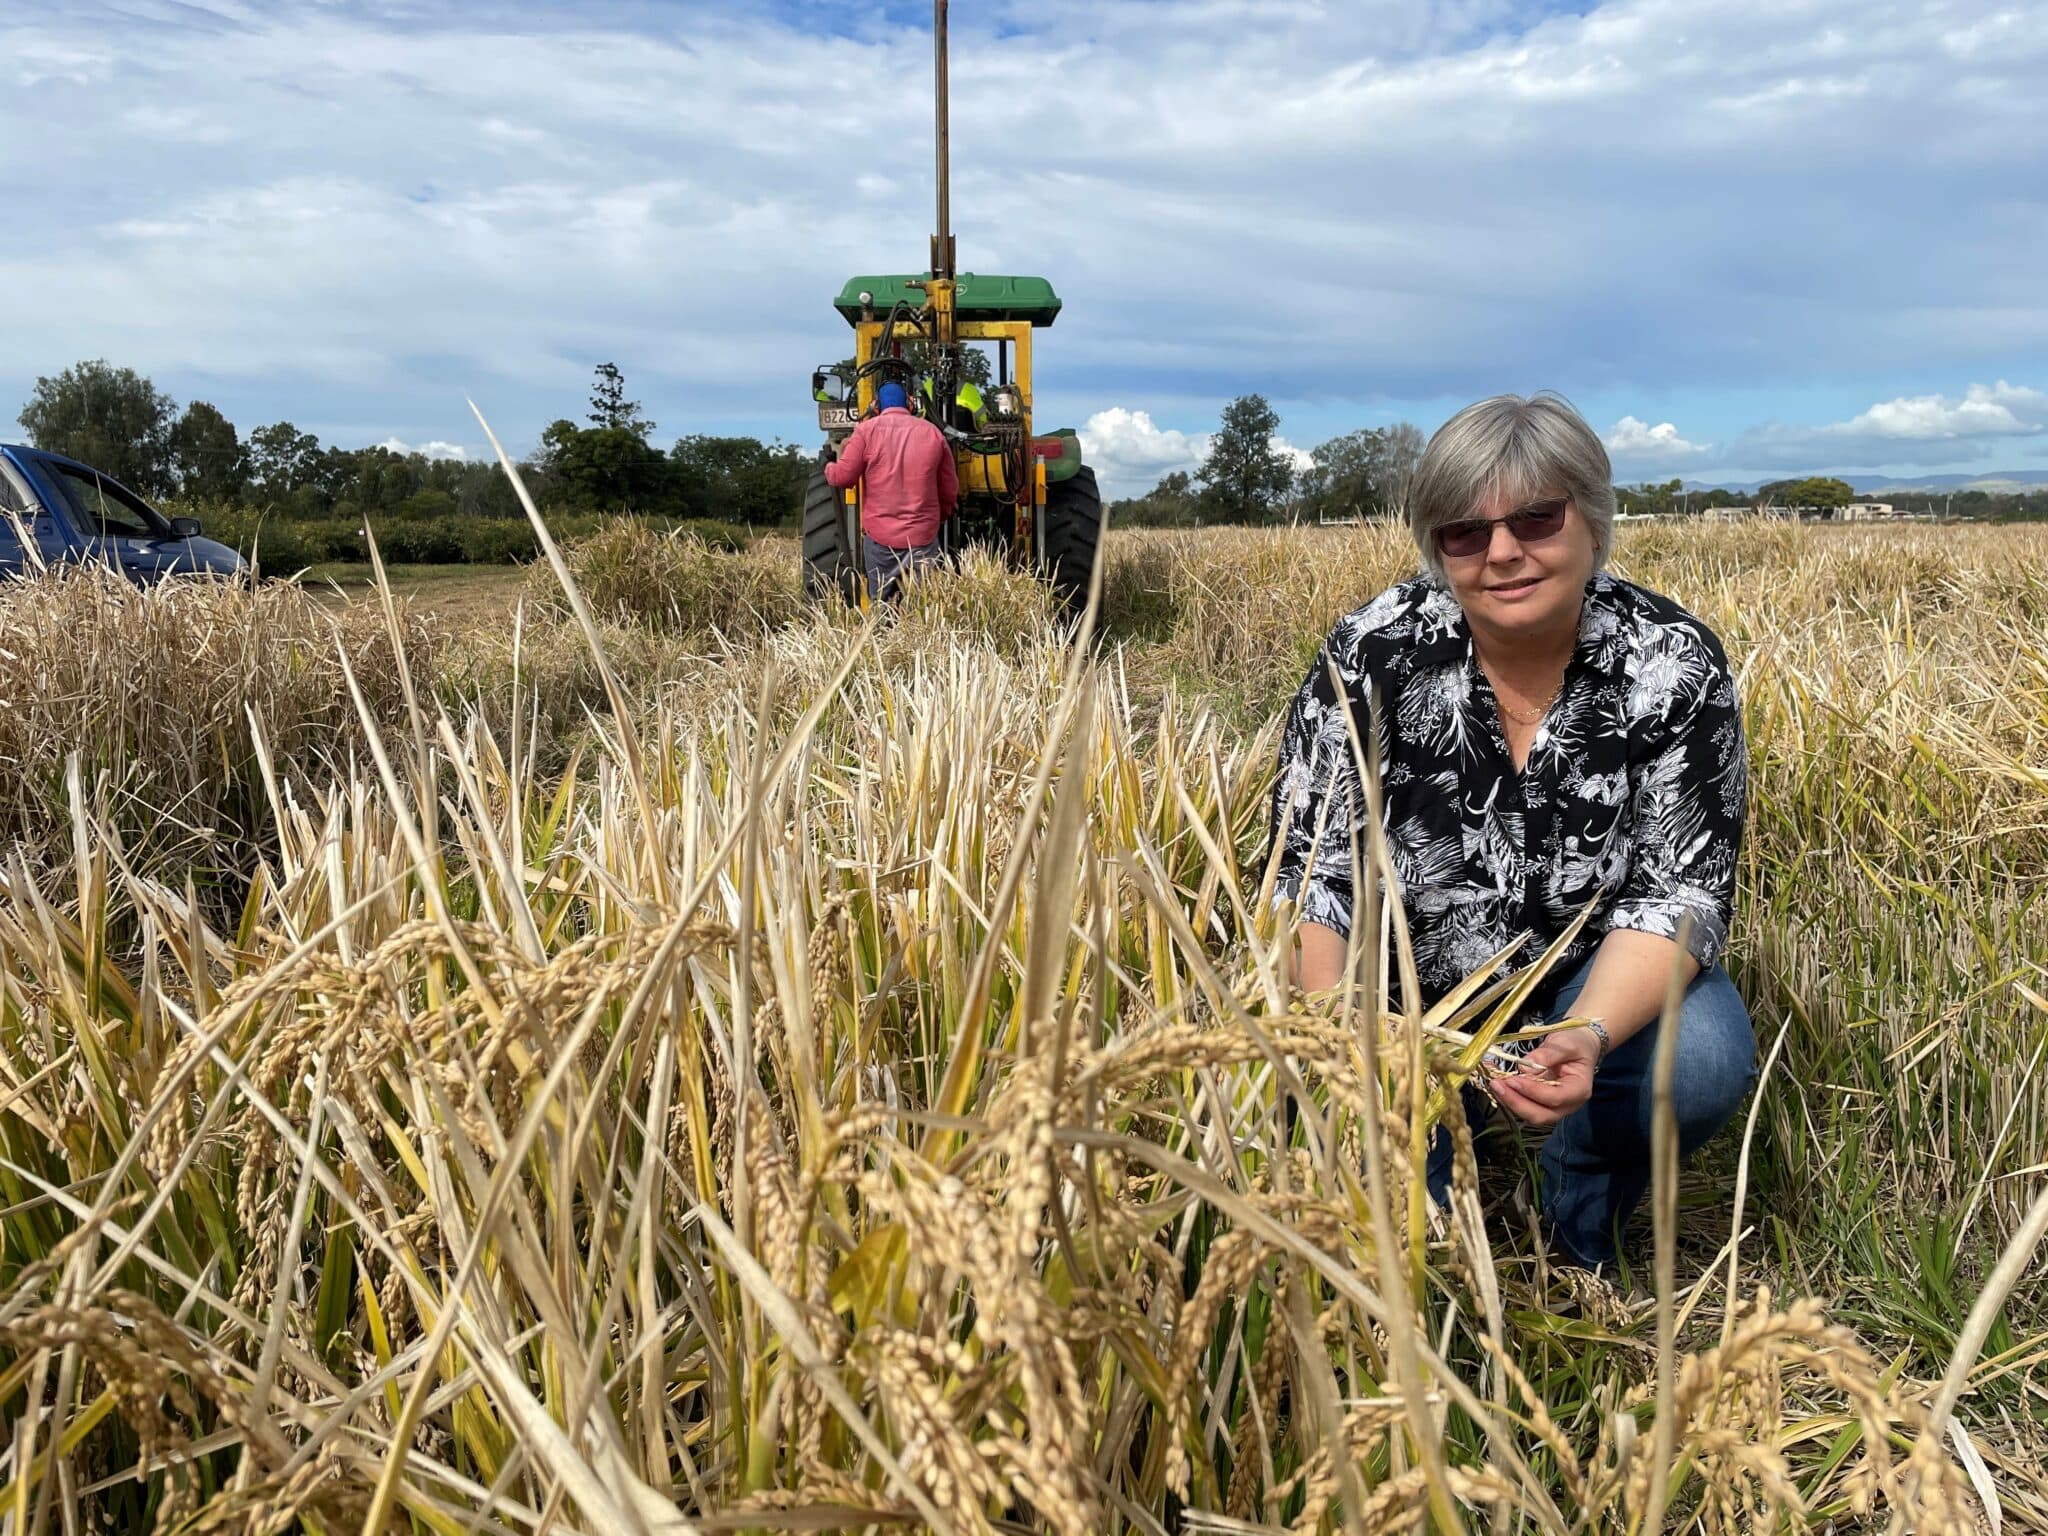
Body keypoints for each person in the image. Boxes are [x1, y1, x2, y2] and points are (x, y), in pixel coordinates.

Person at [1268, 391, 1754, 1269]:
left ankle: (1578, 1212)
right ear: (1436, 548)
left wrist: (1588, 1034)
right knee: (1405, 1250)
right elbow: (1314, 870)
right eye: (1465, 532)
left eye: (1536, 517)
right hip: (1400, 993)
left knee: (1702, 1058)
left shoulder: (1672, 663)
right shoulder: (1369, 654)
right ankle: (1428, 1209)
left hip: (1587, 978)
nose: (1501, 552)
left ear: (1592, 520)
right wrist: (1341, 1046)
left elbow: (1678, 892)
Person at [824, 380, 958, 603]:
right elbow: (949, 489)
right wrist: (939, 518)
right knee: (924, 607)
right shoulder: (933, 433)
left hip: (880, 541)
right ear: (910, 404)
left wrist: (829, 466)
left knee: (882, 607)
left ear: (876, 406)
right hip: (922, 539)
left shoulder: (865, 432)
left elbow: (843, 478)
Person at [921, 375, 988, 432]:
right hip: (964, 438)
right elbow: (982, 420)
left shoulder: (926, 386)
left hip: (931, 436)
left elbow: (919, 415)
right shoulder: (970, 389)